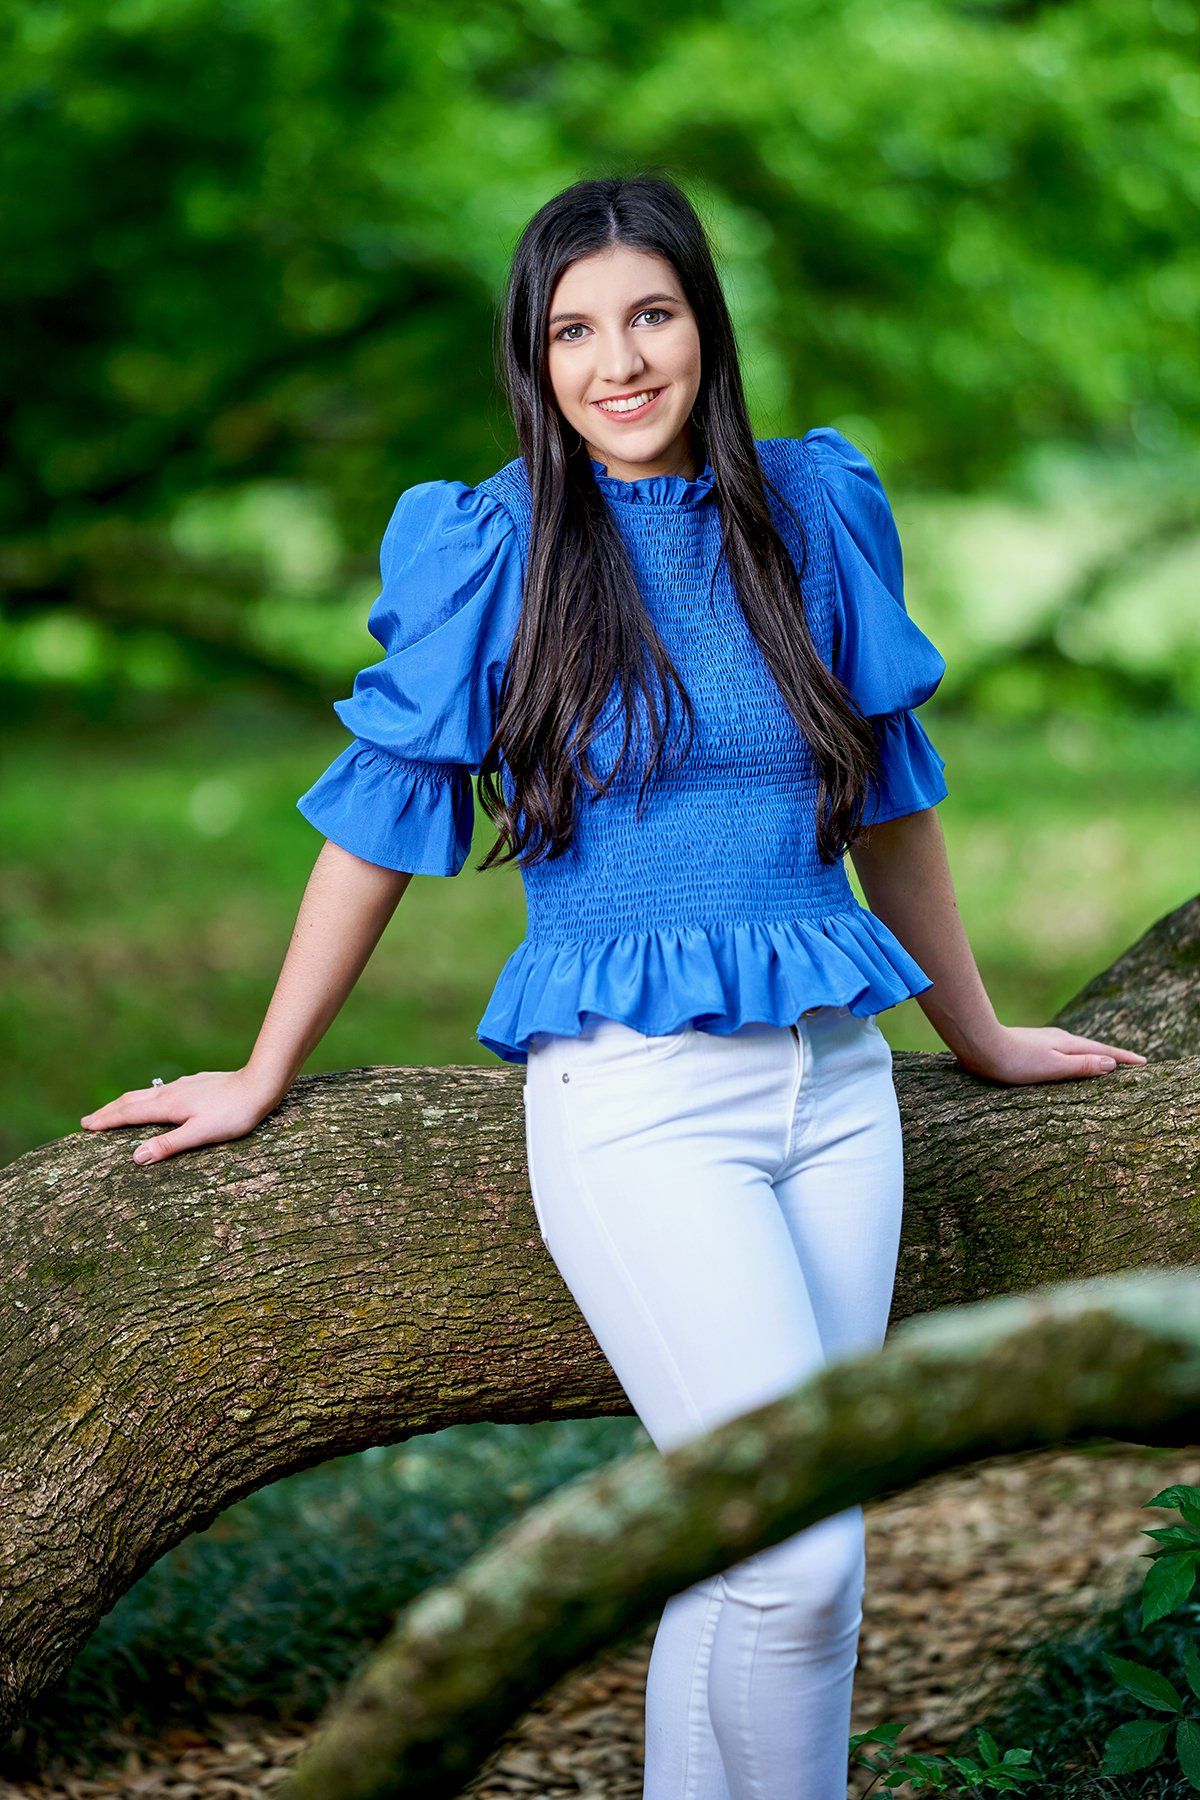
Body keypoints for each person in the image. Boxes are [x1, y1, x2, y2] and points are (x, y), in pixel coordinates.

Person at [80, 173, 1147, 1798]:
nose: (620, 360)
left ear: (707, 328)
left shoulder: (814, 508)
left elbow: (891, 802)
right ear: (537, 358)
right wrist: (260, 1067)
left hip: (841, 1094)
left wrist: (977, 1034)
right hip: (645, 1110)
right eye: (575, 330)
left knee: (763, 1566)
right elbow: (375, 827)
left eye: (652, 314)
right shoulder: (495, 543)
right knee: (796, 1561)